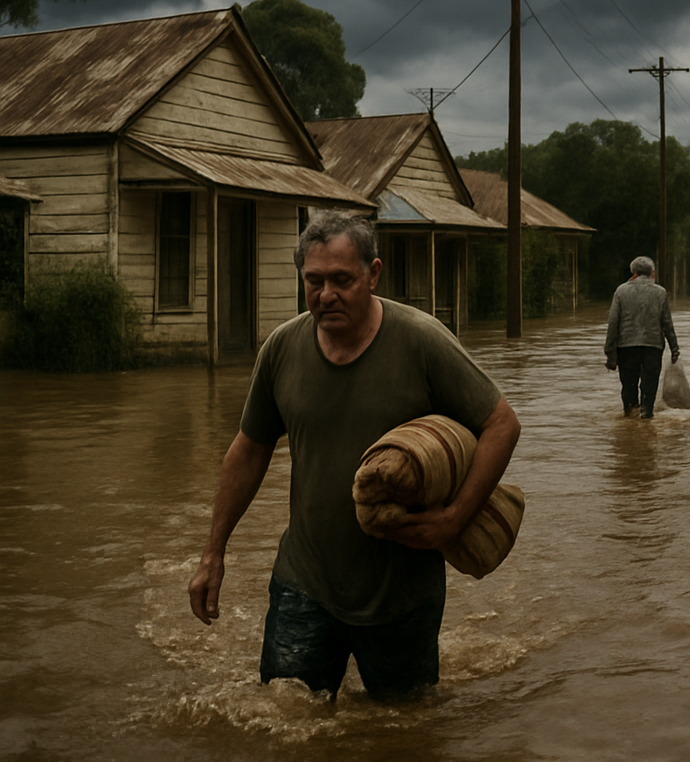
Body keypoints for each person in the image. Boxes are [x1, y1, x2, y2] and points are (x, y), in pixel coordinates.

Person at [187, 211, 521, 700]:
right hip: (304, 582)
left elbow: (501, 424)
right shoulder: (281, 349)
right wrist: (213, 553)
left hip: (401, 594)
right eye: (314, 281)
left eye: (342, 280)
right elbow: (248, 449)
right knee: (285, 720)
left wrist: (453, 519)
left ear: (374, 273)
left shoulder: (421, 341)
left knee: (405, 731)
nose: (326, 295)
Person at [604, 255, 680, 418]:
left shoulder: (621, 291)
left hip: (626, 346)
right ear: (652, 272)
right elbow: (667, 322)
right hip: (653, 346)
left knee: (629, 384)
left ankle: (630, 416)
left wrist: (610, 351)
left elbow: (613, 322)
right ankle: (646, 415)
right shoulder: (660, 292)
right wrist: (674, 347)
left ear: (633, 272)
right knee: (649, 384)